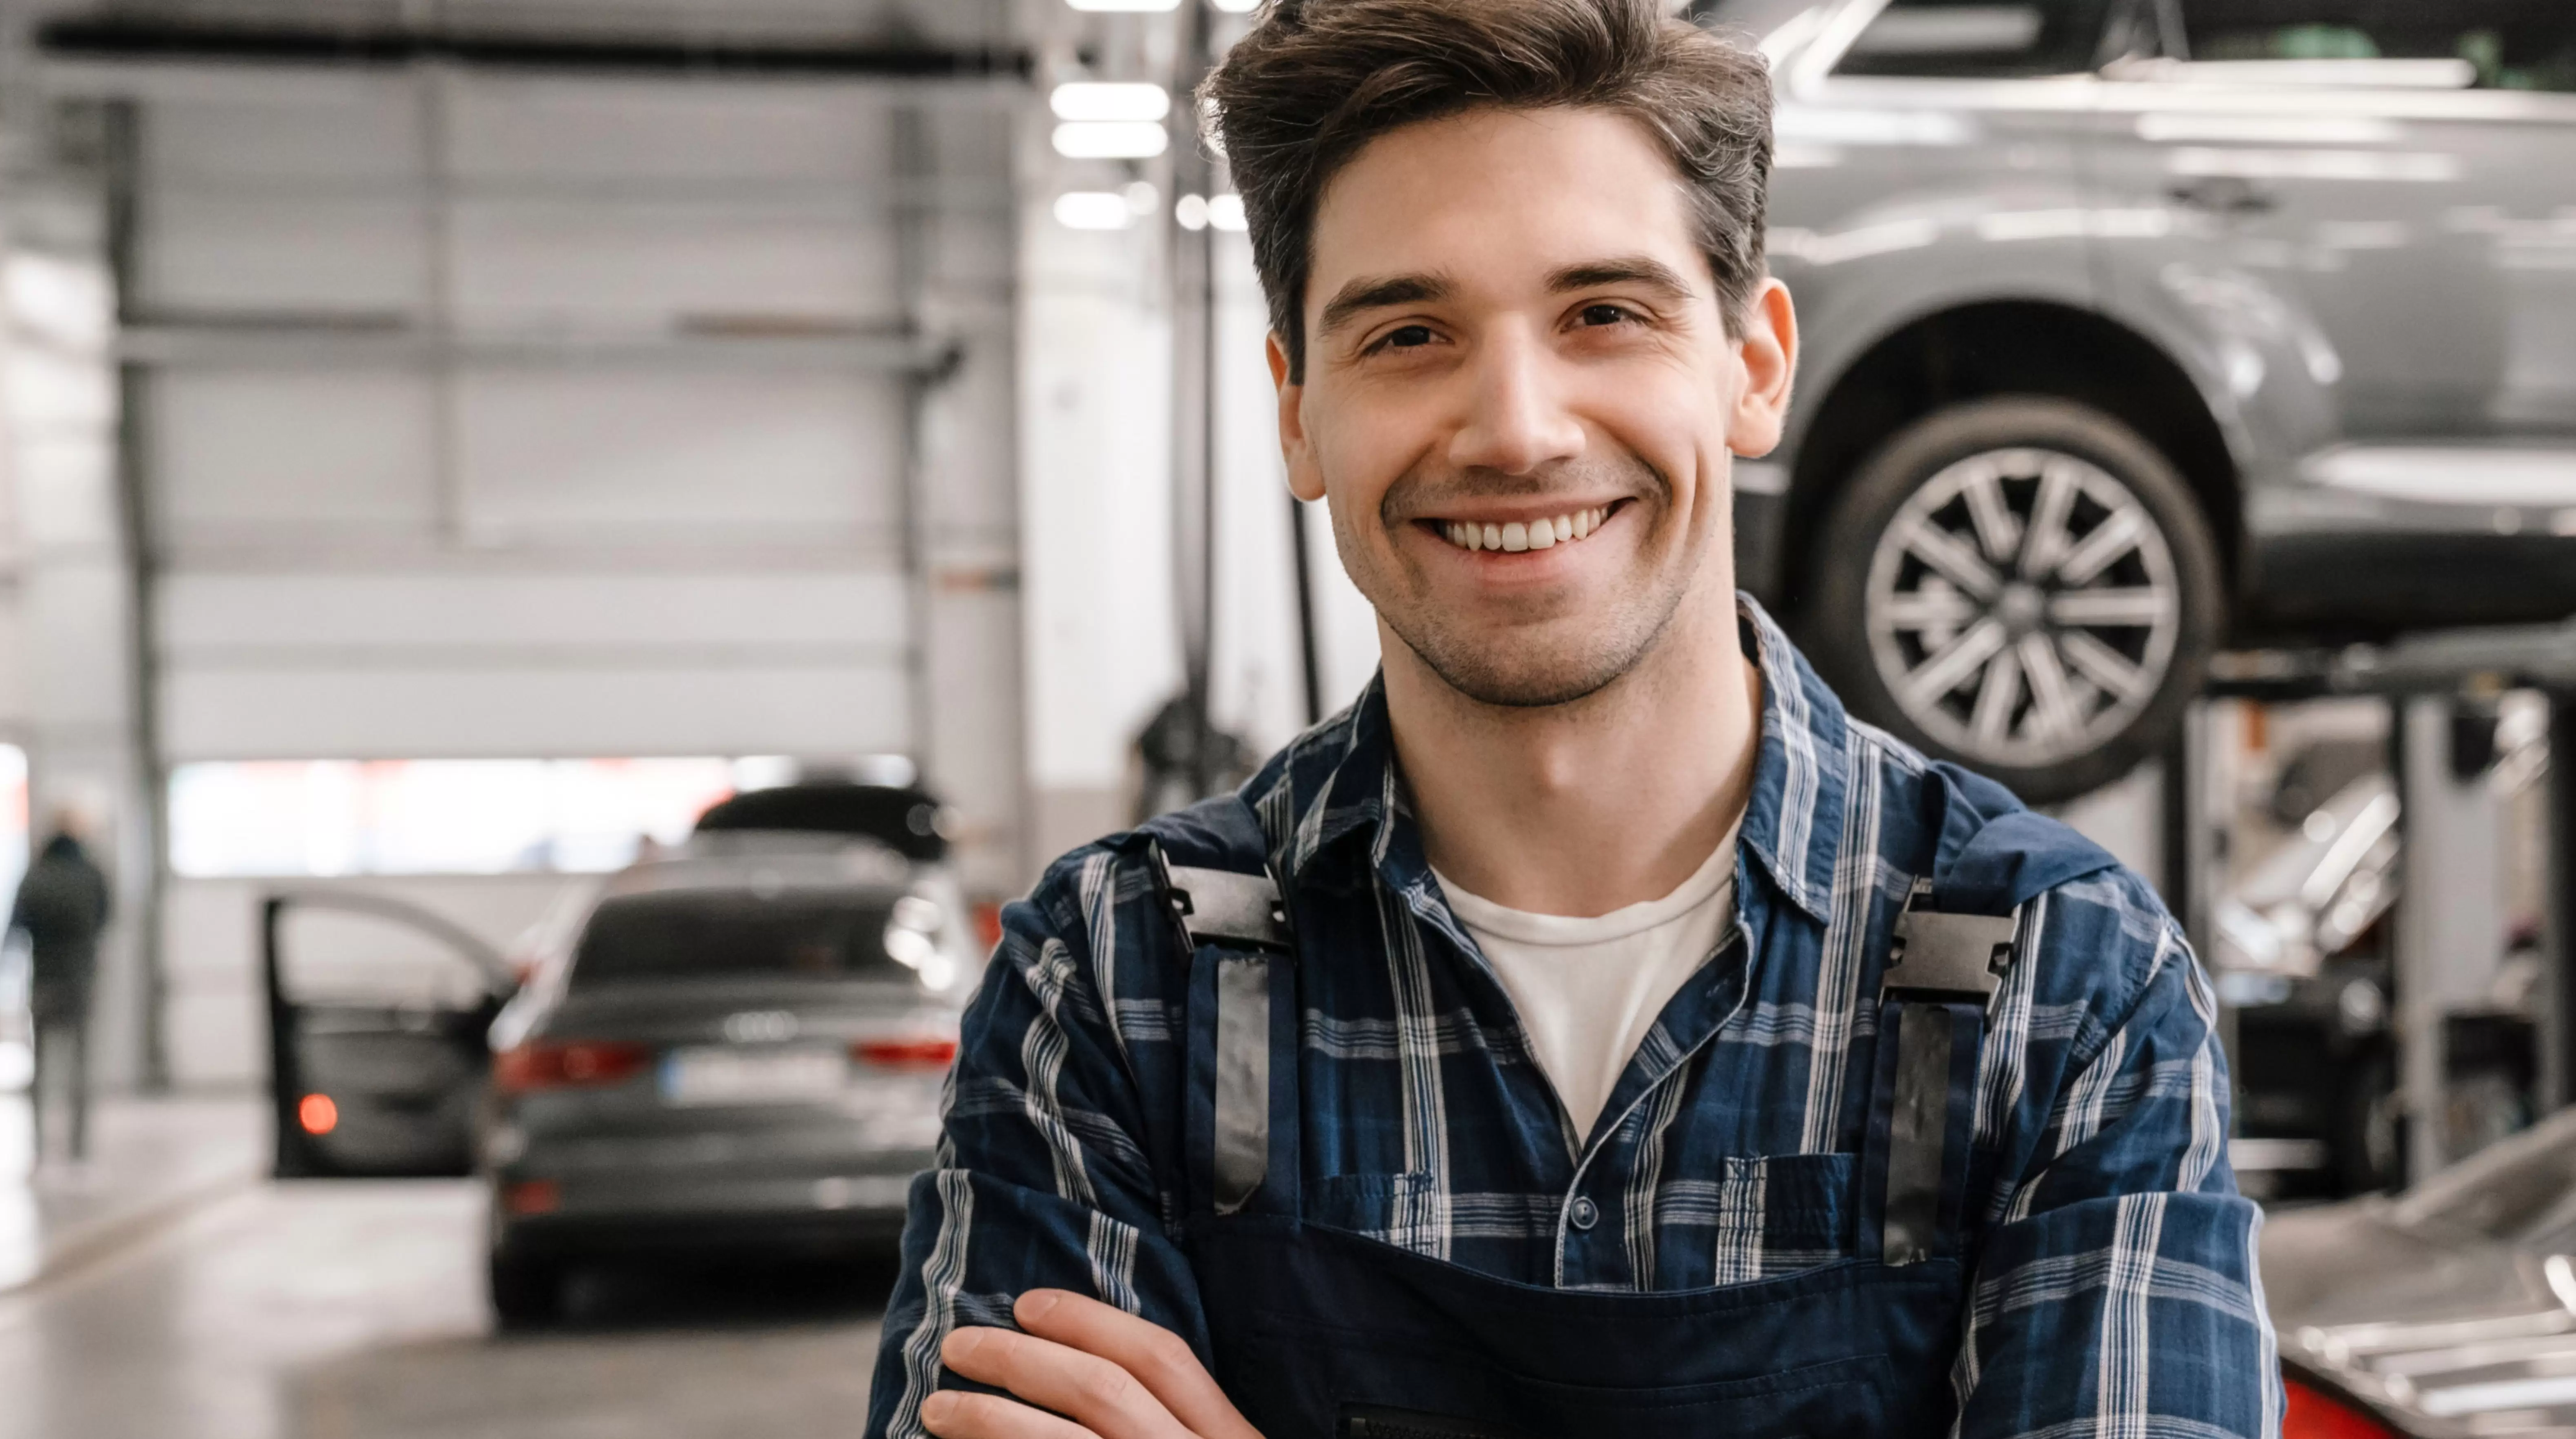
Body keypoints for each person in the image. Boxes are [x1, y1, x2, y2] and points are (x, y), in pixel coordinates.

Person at [863, 0, 2272, 1434]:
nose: (1518, 429)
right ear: (1296, 411)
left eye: (1605, 314)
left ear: (1754, 363)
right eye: (1410, 333)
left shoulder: (2063, 982)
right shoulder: (1119, 981)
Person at [11, 809, 111, 1162]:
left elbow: (16, 926)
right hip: (80, 979)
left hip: (45, 979)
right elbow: (106, 919)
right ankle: (78, 1147)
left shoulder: (36, 876)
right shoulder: (91, 875)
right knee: (80, 1065)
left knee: (40, 1066)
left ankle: (38, 1143)